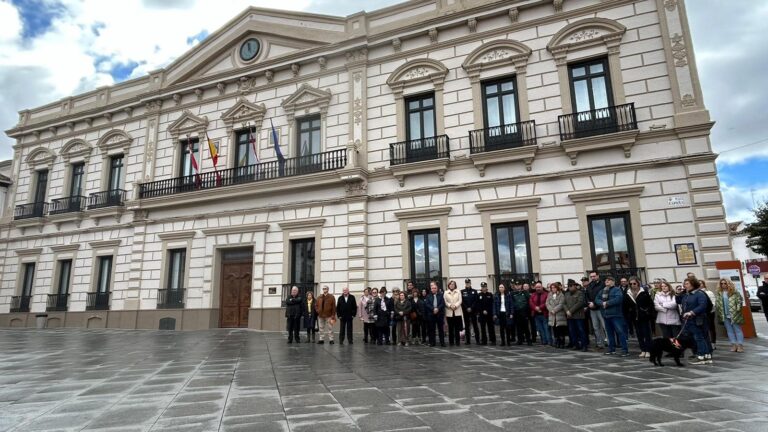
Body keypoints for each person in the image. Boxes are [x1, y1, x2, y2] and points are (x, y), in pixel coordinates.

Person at [680, 276, 713, 365]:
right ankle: (706, 356)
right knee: (699, 338)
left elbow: (702, 306)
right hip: (689, 321)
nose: (685, 285)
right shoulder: (687, 295)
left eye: (687, 284)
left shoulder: (700, 294)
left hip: (698, 320)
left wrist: (691, 312)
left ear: (693, 284)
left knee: (699, 338)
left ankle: (701, 356)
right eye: (684, 284)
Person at [595, 276, 629, 357]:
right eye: (606, 280)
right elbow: (597, 299)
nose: (606, 281)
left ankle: (625, 350)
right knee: (609, 333)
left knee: (620, 332)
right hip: (606, 315)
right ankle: (611, 349)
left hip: (616, 315)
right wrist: (602, 303)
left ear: (613, 282)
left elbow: (618, 299)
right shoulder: (602, 290)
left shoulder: (617, 290)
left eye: (609, 280)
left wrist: (607, 303)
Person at [716, 278, 746, 353]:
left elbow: (739, 301)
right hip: (724, 314)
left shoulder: (734, 292)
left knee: (737, 329)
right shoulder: (719, 293)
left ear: (728, 284)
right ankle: (733, 344)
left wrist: (737, 310)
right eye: (721, 283)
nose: (723, 285)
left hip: (734, 314)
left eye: (725, 283)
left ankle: (740, 345)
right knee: (729, 330)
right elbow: (718, 303)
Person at [626, 276, 653, 357]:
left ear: (638, 283)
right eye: (631, 284)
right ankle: (643, 350)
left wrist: (647, 312)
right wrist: (629, 314)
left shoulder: (644, 292)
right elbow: (626, 305)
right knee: (639, 334)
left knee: (646, 334)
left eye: (634, 283)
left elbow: (650, 304)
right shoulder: (628, 293)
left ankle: (648, 350)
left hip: (644, 316)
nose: (633, 285)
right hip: (634, 317)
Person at [564, 279, 588, 351]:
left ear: (575, 286)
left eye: (571, 286)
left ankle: (584, 345)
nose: (570, 287)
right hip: (570, 316)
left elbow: (580, 303)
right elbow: (564, 304)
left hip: (578, 315)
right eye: (569, 286)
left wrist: (570, 311)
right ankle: (575, 345)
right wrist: (567, 311)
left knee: (581, 330)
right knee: (572, 331)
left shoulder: (580, 293)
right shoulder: (566, 294)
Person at [585, 273, 607, 350]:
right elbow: (586, 296)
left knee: (605, 326)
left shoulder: (602, 284)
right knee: (596, 327)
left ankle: (609, 342)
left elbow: (603, 296)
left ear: (597, 276)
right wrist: (589, 303)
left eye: (594, 276)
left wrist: (594, 303)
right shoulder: (589, 285)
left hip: (600, 308)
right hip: (592, 309)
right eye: (591, 276)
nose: (592, 278)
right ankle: (599, 343)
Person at [425, 281, 446, 347]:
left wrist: (437, 309)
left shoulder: (441, 295)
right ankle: (432, 343)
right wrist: (433, 309)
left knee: (441, 329)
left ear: (437, 289)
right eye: (432, 288)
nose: (433, 289)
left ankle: (442, 343)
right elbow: (427, 304)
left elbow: (442, 303)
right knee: (432, 329)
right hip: (431, 315)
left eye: (435, 288)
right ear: (431, 289)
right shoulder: (428, 296)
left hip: (439, 314)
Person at [546, 282, 567, 348]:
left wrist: (554, 310)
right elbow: (547, 303)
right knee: (555, 329)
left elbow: (561, 304)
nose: (553, 289)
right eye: (552, 288)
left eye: (554, 288)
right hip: (552, 315)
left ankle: (562, 343)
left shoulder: (561, 295)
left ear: (557, 288)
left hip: (559, 315)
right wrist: (551, 310)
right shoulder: (549, 294)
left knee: (560, 329)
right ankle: (557, 342)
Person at [529, 281, 549, 346]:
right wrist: (535, 308)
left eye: (539, 287)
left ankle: (548, 341)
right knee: (540, 329)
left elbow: (547, 303)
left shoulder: (546, 294)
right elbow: (531, 303)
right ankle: (544, 341)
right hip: (536, 314)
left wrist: (539, 307)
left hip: (544, 314)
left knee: (546, 328)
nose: (538, 288)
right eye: (537, 287)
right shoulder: (533, 295)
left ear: (542, 287)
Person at [461, 278, 480, 345]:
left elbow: (476, 301)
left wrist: (471, 308)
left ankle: (478, 340)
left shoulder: (474, 291)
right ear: (465, 284)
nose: (468, 284)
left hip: (473, 311)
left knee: (475, 326)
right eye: (466, 283)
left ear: (470, 283)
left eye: (468, 283)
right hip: (466, 311)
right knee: (467, 326)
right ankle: (468, 341)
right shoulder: (462, 291)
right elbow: (462, 301)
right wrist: (467, 308)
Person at [444, 280, 463, 346]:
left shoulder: (458, 292)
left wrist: (455, 306)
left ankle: (457, 342)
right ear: (448, 285)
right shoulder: (446, 292)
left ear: (455, 285)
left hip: (457, 311)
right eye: (450, 284)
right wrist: (450, 306)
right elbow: (445, 301)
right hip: (449, 312)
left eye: (453, 284)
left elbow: (460, 300)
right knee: (451, 328)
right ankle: (451, 342)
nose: (452, 285)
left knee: (457, 328)